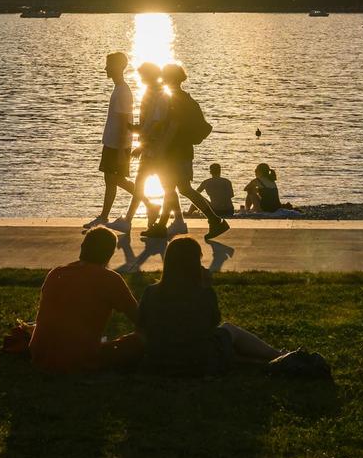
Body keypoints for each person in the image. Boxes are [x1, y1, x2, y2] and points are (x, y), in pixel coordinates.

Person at [137, 237, 282, 375]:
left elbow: (141, 326)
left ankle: (263, 360)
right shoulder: (201, 292)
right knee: (229, 330)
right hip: (199, 362)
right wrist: (206, 287)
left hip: (159, 362)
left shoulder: (151, 292)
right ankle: (279, 355)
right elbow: (212, 323)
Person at [28, 227, 144, 373]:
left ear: (82, 247)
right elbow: (140, 319)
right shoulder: (110, 279)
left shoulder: (56, 273)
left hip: (40, 355)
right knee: (139, 342)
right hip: (81, 358)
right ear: (110, 254)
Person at [142, 64, 229, 240]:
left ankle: (215, 220)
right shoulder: (186, 99)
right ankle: (162, 226)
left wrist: (160, 150)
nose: (162, 79)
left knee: (180, 188)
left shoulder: (174, 100)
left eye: (165, 76)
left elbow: (173, 128)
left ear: (171, 79)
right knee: (174, 188)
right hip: (183, 151)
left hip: (174, 152)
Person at [86, 53, 158, 231]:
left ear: (118, 67)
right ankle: (104, 216)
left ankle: (150, 205)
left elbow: (124, 122)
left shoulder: (123, 91)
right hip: (111, 142)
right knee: (111, 180)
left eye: (108, 65)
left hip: (117, 144)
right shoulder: (118, 89)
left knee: (116, 179)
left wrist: (120, 150)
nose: (105, 68)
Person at [110, 62, 178, 236]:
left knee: (149, 184)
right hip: (153, 146)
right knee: (165, 185)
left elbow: (157, 124)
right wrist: (136, 129)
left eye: (142, 75)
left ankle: (130, 220)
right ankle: (176, 220)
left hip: (155, 148)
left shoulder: (159, 94)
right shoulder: (154, 93)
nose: (140, 78)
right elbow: (150, 122)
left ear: (149, 75)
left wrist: (143, 145)